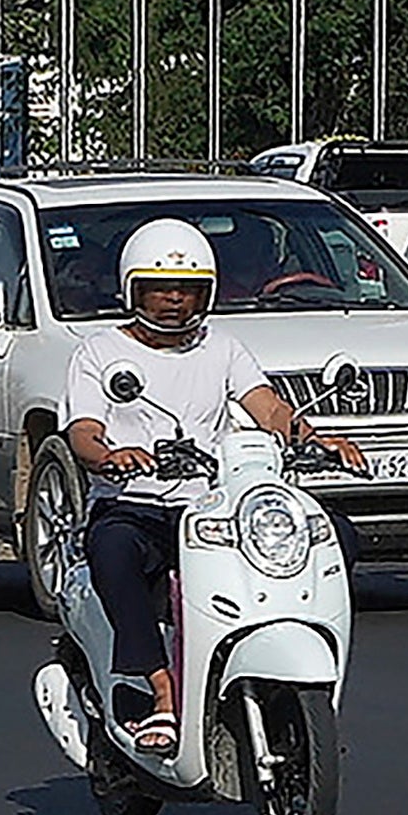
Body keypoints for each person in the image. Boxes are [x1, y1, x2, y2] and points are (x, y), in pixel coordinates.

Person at [44, 219, 337, 758]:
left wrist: (315, 438)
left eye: (187, 289)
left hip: (210, 505)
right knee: (112, 550)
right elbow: (82, 432)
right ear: (133, 288)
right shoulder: (100, 355)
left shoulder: (222, 348)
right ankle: (162, 692)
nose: (174, 300)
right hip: (134, 505)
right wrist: (110, 456)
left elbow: (265, 405)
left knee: (327, 535)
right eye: (159, 288)